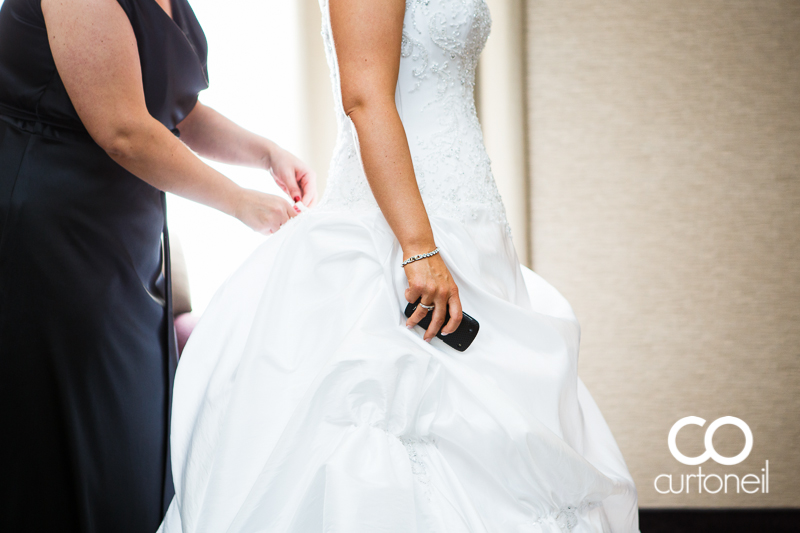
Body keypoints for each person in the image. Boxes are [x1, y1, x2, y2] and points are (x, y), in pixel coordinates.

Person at [160, 0, 640, 531]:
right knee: (387, 416)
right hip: (402, 228)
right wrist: (418, 246)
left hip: (469, 215)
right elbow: (364, 98)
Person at [0, 0, 314, 531]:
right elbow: (124, 130)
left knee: (133, 433)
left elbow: (173, 111)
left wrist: (266, 153)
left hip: (122, 238)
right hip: (51, 237)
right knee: (73, 440)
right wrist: (240, 202)